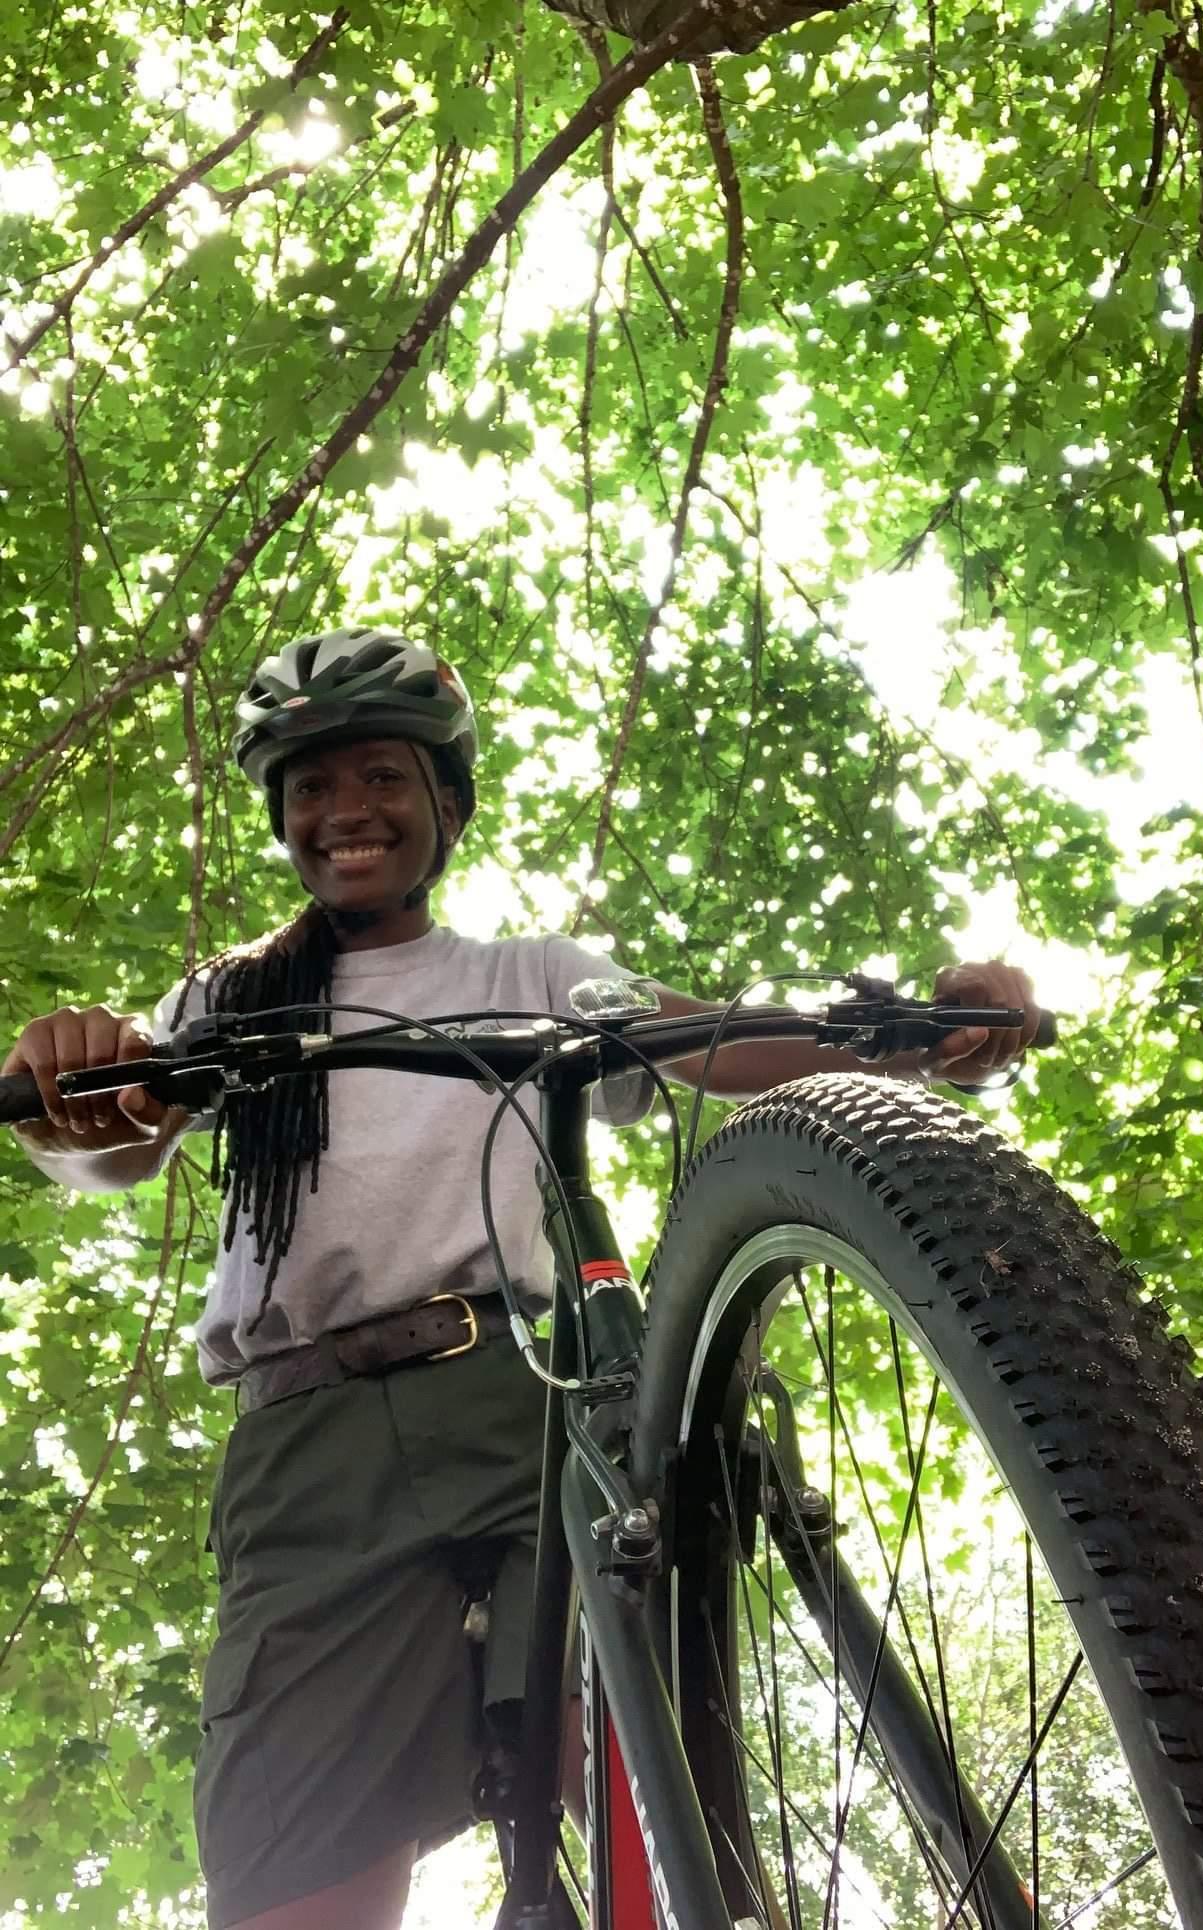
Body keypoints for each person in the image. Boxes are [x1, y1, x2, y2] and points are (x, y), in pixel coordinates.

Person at [4, 628, 1041, 1930]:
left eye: (380, 774)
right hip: (305, 1445)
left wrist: (905, 1040)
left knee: (637, 1783)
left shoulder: (531, 977)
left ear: (446, 800)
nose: (345, 813)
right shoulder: (232, 1000)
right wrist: (67, 1090)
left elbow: (704, 1046)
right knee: (293, 1873)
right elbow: (123, 1130)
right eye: (310, 788)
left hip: (521, 1398)